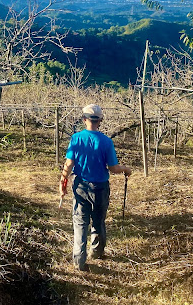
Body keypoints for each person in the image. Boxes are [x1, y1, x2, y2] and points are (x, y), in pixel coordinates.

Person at [59, 103, 132, 271]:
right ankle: (97, 252)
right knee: (98, 221)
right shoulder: (106, 142)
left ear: (84, 119)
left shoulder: (76, 139)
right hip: (100, 187)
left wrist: (63, 183)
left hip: (80, 187)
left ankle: (79, 260)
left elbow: (69, 164)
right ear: (100, 121)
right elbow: (113, 168)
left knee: (80, 222)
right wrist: (126, 170)